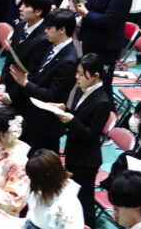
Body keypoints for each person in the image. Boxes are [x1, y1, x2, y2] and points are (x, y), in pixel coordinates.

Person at [5, 8, 79, 154]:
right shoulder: (51, 46)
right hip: (31, 117)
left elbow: (53, 96)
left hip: (45, 126)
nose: (45, 30)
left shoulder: (69, 61)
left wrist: (25, 83)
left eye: (49, 27)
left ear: (62, 30)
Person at [57, 53, 112, 229]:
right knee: (72, 198)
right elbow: (80, 115)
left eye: (81, 74)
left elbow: (91, 135)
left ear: (95, 76)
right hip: (75, 152)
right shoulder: (83, 89)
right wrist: (64, 109)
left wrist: (71, 120)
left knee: (84, 203)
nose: (77, 77)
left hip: (86, 161)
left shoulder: (102, 101)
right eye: (77, 72)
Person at [74, 0, 133, 87]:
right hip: (90, 39)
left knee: (101, 86)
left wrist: (86, 13)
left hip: (105, 45)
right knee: (88, 84)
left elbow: (110, 20)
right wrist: (81, 1)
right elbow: (94, 3)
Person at [24, 149, 85, 229]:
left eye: (33, 179)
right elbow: (31, 215)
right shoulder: (41, 190)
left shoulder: (68, 205)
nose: (31, 182)